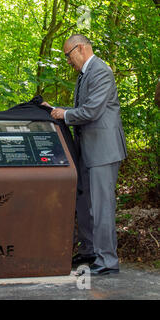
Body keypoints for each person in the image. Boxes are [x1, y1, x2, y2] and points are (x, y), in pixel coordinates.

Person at [42, 34, 127, 276]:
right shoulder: (84, 74)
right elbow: (83, 109)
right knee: (85, 203)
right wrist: (55, 110)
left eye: (68, 55)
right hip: (88, 149)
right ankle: (90, 250)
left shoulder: (100, 71)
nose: (68, 61)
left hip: (103, 150)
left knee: (101, 206)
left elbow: (91, 111)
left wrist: (64, 115)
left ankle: (108, 261)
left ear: (80, 48)